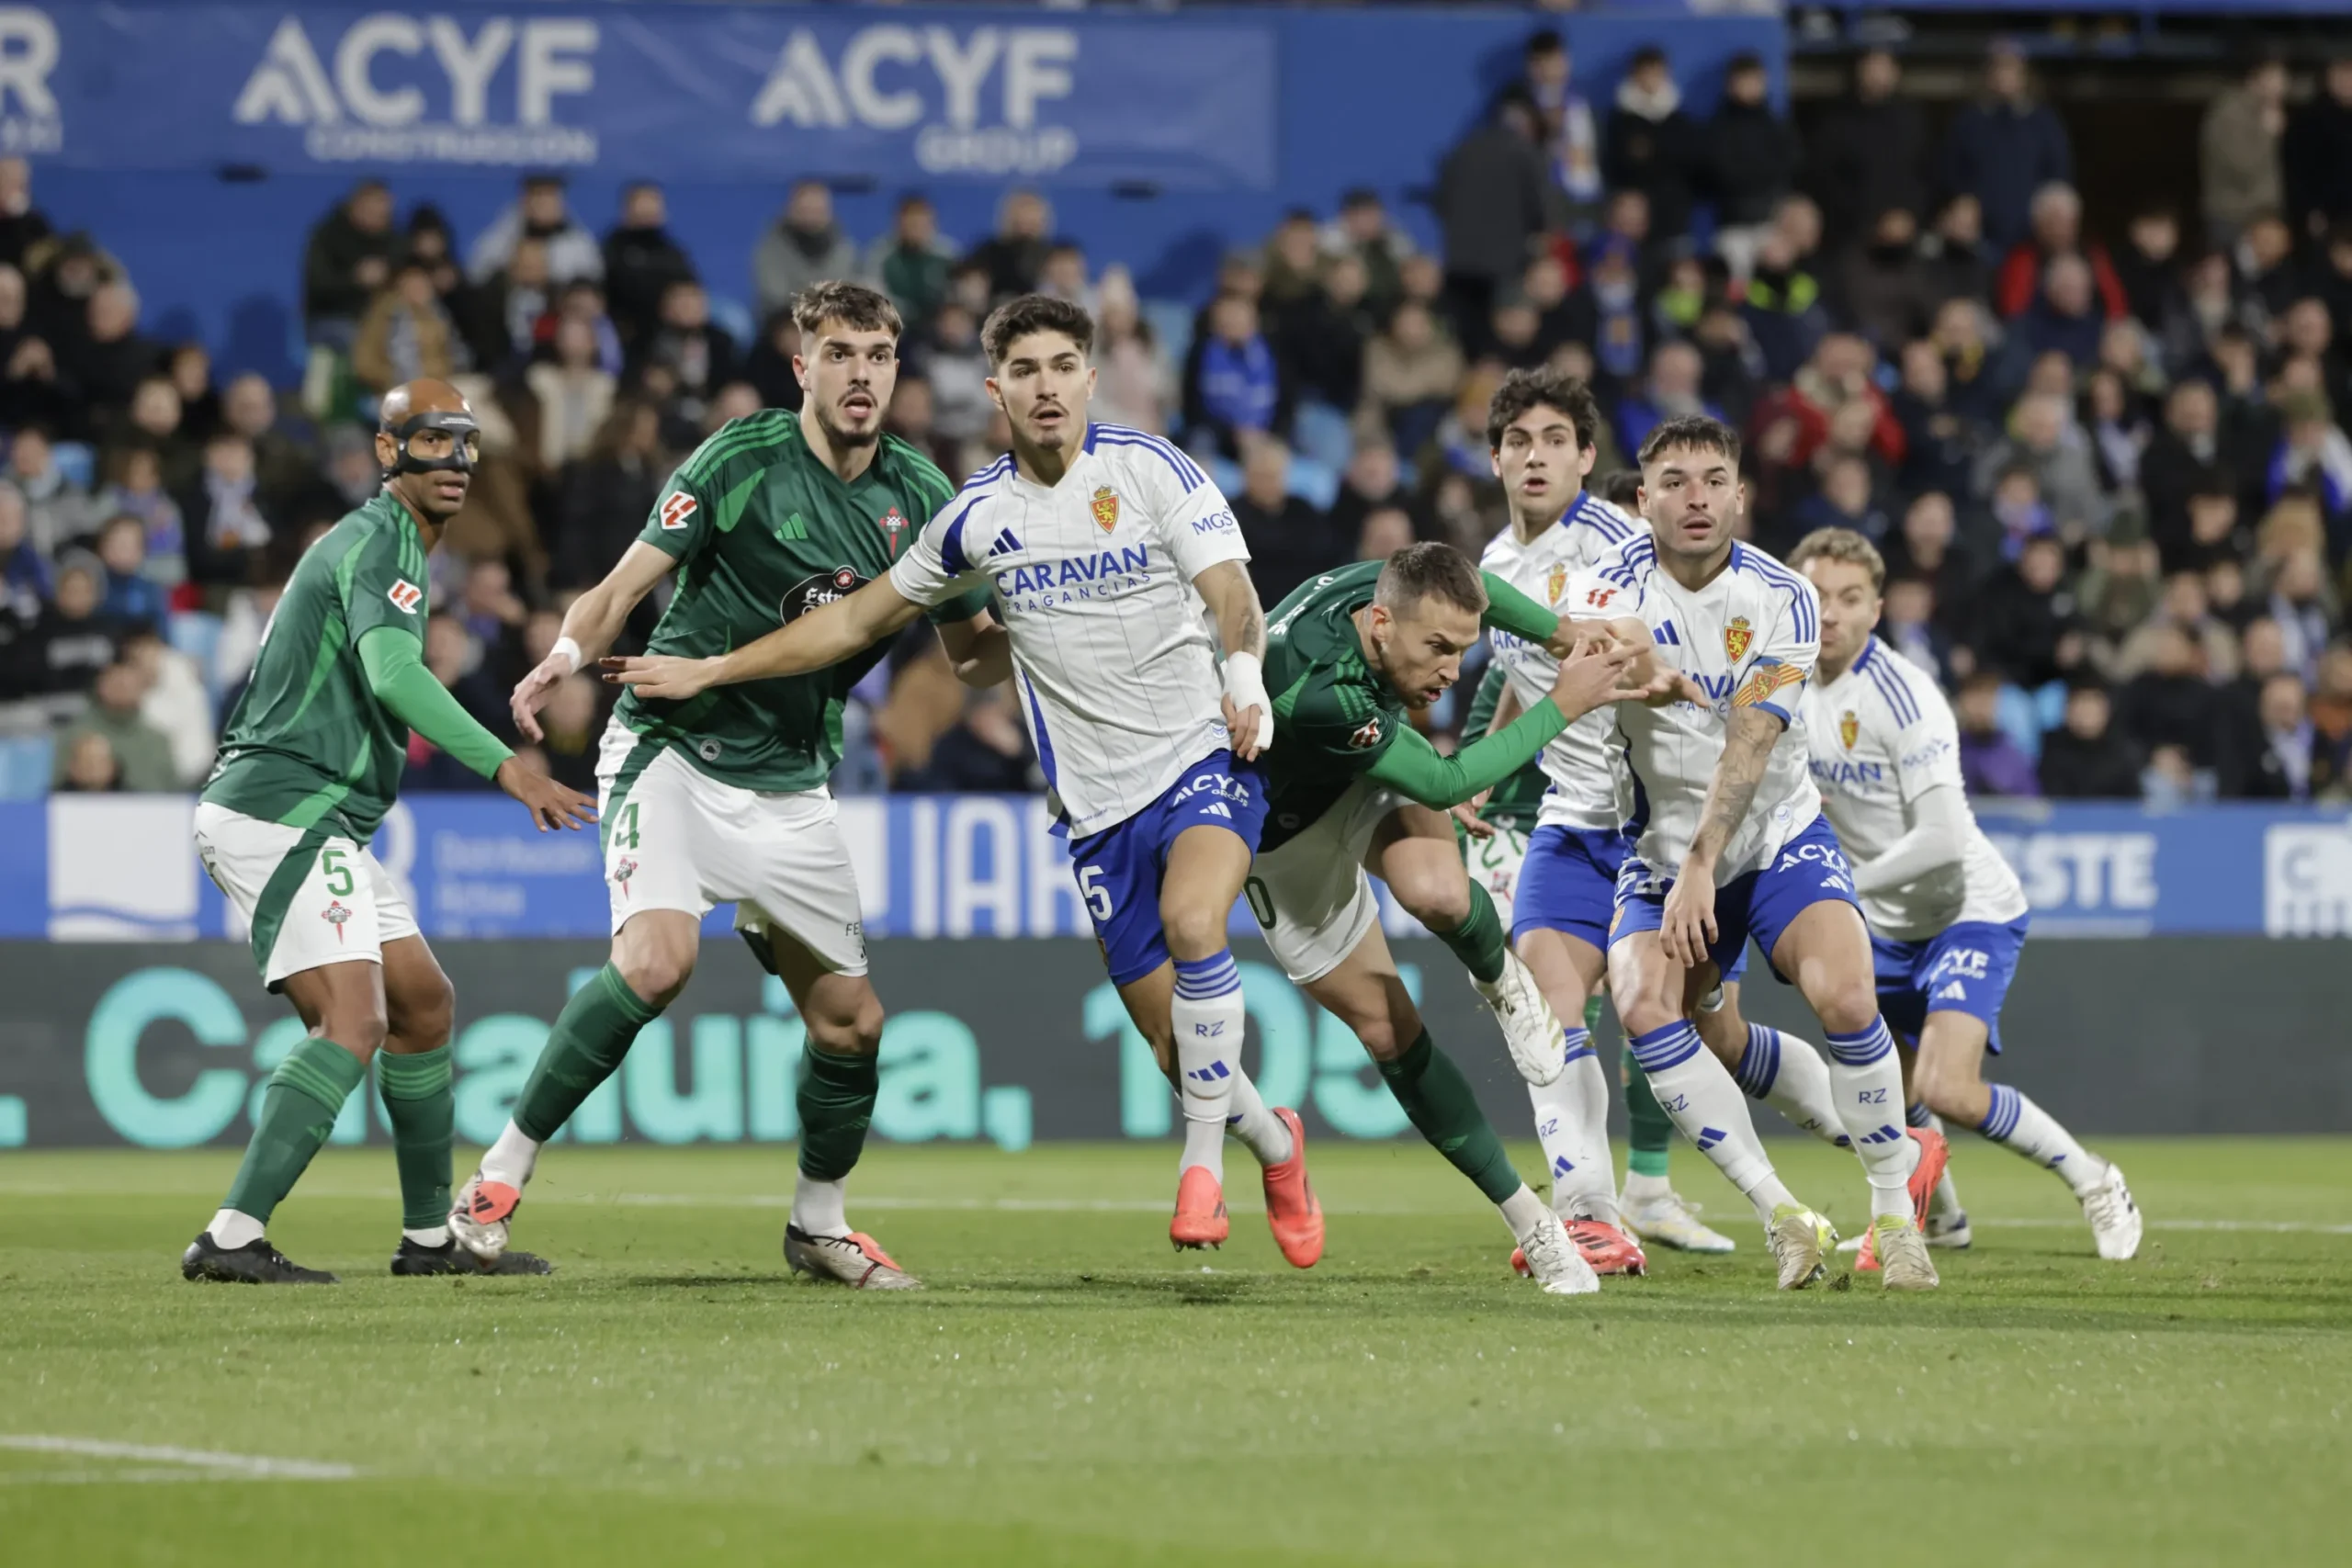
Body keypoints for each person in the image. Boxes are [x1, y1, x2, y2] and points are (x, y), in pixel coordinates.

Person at [600, 293, 1323, 1269]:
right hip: (1096, 806)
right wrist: (712, 668)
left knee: (1199, 926)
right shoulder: (974, 520)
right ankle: (1275, 1142)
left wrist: (1243, 677)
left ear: (1090, 377)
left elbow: (1232, 594)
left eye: (1064, 365)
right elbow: (858, 625)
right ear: (995, 391)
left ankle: (1201, 1174)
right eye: (1024, 371)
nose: (1047, 386)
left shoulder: (1152, 468)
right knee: (1175, 1049)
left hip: (1203, 753)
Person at [466, 284, 993, 1291]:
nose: (861, 374)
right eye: (839, 354)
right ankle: (496, 1176)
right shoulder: (738, 458)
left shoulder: (927, 498)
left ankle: (817, 1223)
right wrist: (568, 651)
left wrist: (1066, 634)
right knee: (658, 963)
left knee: (854, 1024)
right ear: (803, 367)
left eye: (880, 355)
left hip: (792, 783)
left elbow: (969, 657)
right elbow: (624, 586)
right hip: (673, 751)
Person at [179, 379, 594, 1285]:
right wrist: (509, 768)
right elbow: (394, 672)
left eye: (466, 442)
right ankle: (232, 1236)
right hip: (281, 809)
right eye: (432, 440)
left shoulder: (393, 544)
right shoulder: (380, 541)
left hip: (318, 816)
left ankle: (428, 1240)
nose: (455, 460)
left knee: (422, 1006)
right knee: (355, 1019)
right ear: (386, 450)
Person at [1482, 382, 1863, 1269]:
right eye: (1515, 439)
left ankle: (1873, 1136)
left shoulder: (1621, 545)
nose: (1533, 454)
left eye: (1554, 439)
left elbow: (1633, 645)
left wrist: (1647, 674)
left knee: (1710, 1031)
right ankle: (1592, 1211)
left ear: (1587, 459)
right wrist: (1490, 757)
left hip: (1656, 824)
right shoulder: (1498, 558)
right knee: (1547, 1012)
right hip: (1571, 819)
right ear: (1494, 458)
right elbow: (1522, 671)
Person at [1574, 415, 1948, 1292]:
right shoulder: (1605, 593)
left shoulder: (1787, 595)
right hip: (1658, 851)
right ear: (1642, 499)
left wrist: (1707, 856)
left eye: (1713, 479)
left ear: (1740, 495)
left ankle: (1894, 1215)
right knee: (1647, 1006)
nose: (1695, 497)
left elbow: (1753, 735)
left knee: (1848, 993)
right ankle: (1785, 1214)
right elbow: (1573, 672)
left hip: (1774, 835)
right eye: (1673, 481)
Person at [1246, 539, 1676, 1295]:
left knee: (1439, 892)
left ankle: (1505, 984)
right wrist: (1563, 701)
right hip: (1285, 839)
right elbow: (1445, 779)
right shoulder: (1318, 690)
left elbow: (1481, 594)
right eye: (1437, 650)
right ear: (1380, 624)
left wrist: (1560, 633)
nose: (1452, 671)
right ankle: (1534, 1226)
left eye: (1462, 649)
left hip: (1369, 767)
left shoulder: (1383, 588)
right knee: (1386, 1029)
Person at [1792, 527, 2144, 1262]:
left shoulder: (1904, 694)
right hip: (1885, 924)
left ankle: (2095, 1180)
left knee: (1948, 1087)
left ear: (1877, 609)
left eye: (1849, 598)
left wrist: (1840, 889)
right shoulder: (1782, 687)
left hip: (1966, 908)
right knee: (1884, 1078)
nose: (1830, 613)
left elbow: (1945, 836)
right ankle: (1941, 1218)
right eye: (1817, 595)